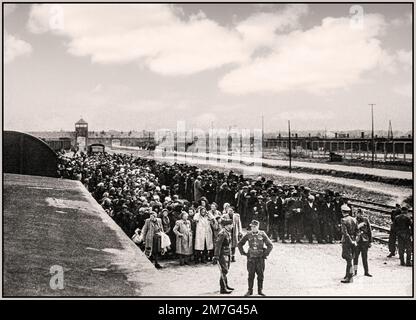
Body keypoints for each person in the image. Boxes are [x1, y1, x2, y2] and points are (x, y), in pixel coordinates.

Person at [237, 220, 273, 296]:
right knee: (251, 275)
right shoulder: (248, 234)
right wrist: (243, 253)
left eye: (254, 226)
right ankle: (250, 290)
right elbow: (240, 244)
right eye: (252, 226)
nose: (252, 228)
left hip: (260, 258)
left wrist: (265, 254)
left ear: (258, 227)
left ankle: (260, 291)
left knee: (260, 275)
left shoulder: (262, 234)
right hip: (251, 258)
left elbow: (270, 245)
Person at [213, 219, 234, 294]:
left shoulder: (227, 232)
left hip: (227, 253)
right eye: (231, 224)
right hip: (222, 254)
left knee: (226, 270)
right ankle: (223, 289)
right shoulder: (222, 233)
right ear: (227, 225)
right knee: (224, 270)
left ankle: (226, 285)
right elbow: (218, 245)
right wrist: (216, 256)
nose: (232, 226)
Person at [340, 204, 357, 283]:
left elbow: (345, 234)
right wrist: (355, 241)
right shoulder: (354, 219)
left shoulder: (343, 220)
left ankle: (349, 277)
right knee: (351, 259)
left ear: (343, 212)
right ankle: (348, 274)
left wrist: (350, 241)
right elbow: (358, 231)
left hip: (347, 242)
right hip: (354, 241)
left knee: (348, 259)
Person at [353, 209, 373, 277]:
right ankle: (354, 272)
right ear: (356, 214)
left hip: (365, 241)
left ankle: (366, 272)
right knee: (355, 257)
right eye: (359, 214)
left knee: (365, 257)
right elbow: (352, 231)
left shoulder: (366, 220)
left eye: (362, 214)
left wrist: (370, 241)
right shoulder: (354, 220)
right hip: (357, 241)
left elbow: (369, 231)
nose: (361, 215)